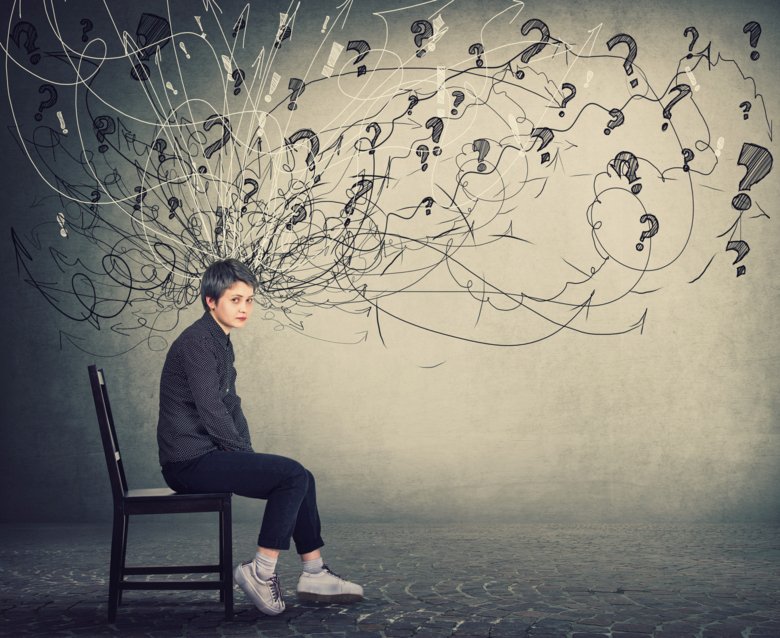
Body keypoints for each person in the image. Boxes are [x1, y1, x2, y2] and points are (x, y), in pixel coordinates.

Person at [156, 258, 363, 615]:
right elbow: (211, 409)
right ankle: (260, 571)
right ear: (210, 300)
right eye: (235, 299)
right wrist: (244, 457)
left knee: (302, 477)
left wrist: (246, 455)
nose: (244, 308)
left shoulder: (219, 340)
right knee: (292, 475)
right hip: (188, 463)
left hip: (207, 456)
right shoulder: (197, 343)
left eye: (249, 300)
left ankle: (314, 572)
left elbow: (230, 403)